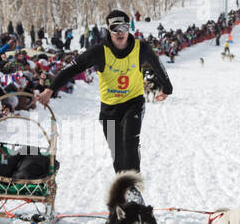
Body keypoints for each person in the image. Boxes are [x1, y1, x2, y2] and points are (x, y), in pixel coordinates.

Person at [37, 10, 172, 175]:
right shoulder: (99, 51)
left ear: (129, 28)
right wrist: (51, 89)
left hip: (133, 102)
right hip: (109, 108)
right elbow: (73, 68)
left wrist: (167, 88)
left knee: (130, 142)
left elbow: (157, 64)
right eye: (115, 28)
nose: (120, 32)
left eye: (124, 27)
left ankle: (133, 186)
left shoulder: (141, 48)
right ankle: (123, 184)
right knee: (117, 152)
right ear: (109, 30)